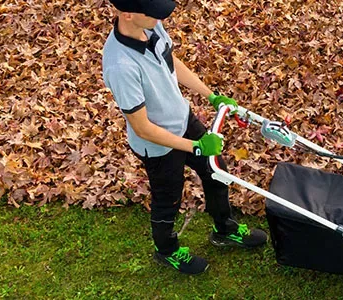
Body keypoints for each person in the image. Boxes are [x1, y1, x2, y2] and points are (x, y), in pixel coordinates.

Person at [100, 0, 267, 275]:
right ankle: (166, 251)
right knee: (168, 200)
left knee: (217, 171)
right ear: (127, 14)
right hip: (157, 146)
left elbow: (171, 60)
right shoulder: (120, 66)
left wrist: (210, 94)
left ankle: (224, 229)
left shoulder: (150, 26)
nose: (159, 17)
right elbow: (143, 128)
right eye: (153, 12)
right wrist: (196, 146)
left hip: (182, 118)